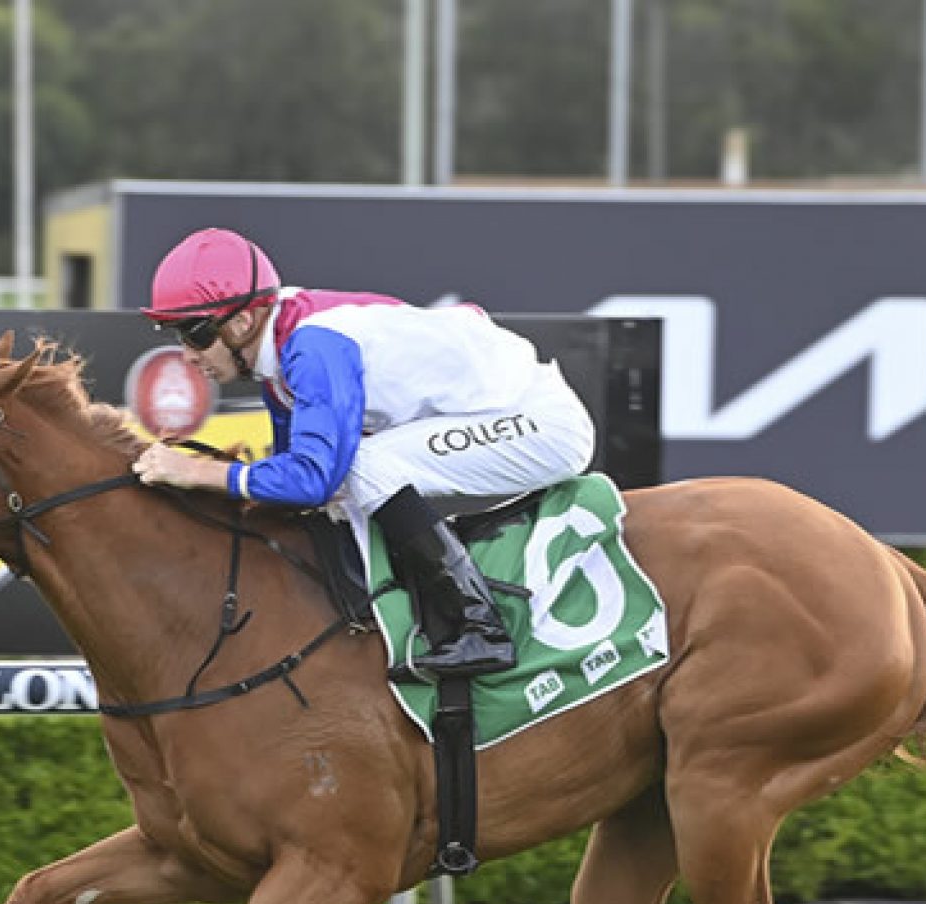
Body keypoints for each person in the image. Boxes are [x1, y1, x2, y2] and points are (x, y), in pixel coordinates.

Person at [131, 227, 595, 679]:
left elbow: (313, 477)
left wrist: (196, 472)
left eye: (193, 334)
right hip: (493, 413)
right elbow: (300, 492)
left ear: (242, 321)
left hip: (543, 425)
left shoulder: (312, 347)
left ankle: (480, 626)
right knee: (347, 482)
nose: (187, 355)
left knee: (365, 466)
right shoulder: (276, 362)